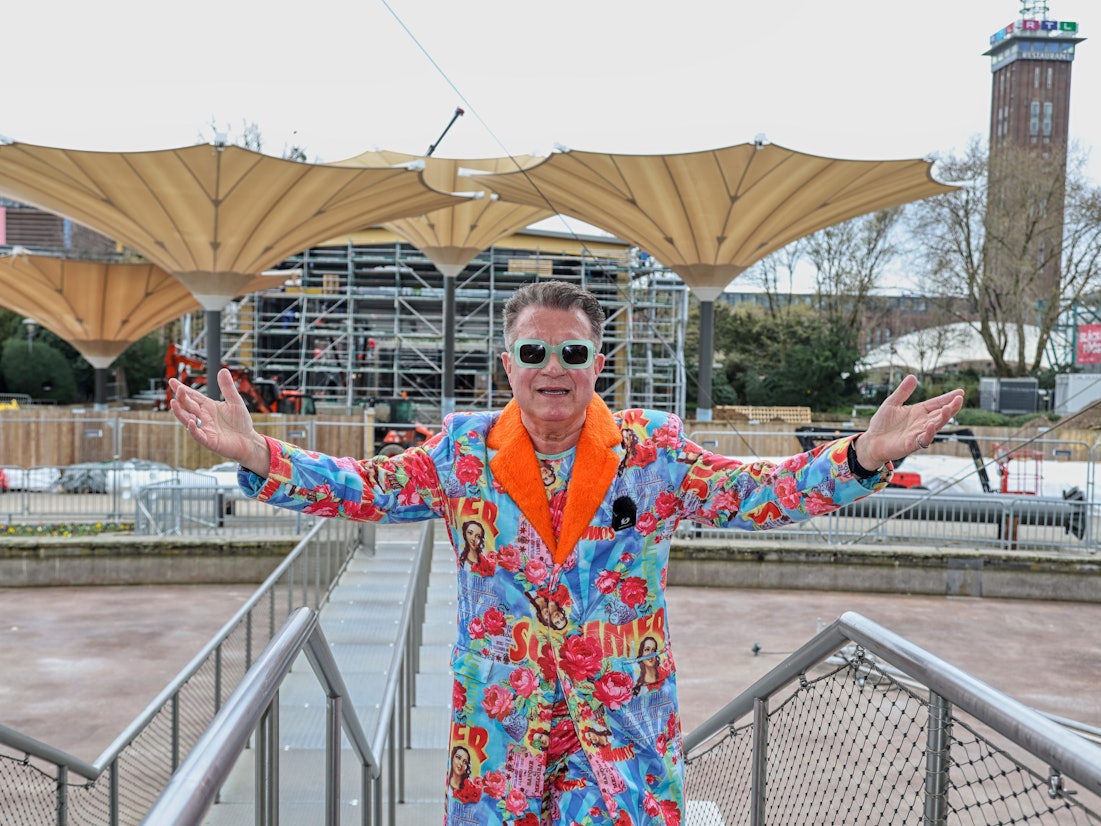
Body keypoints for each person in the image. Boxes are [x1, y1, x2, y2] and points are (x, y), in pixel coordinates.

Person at [169, 280, 964, 826]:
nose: (554, 370)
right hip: (500, 732)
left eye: (573, 355)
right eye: (535, 353)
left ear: (598, 365)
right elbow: (360, 486)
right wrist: (261, 454)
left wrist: (860, 455)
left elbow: (759, 492)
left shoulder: (652, 451)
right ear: (506, 364)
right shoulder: (462, 453)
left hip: (619, 732)